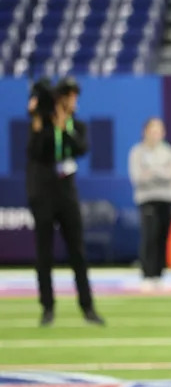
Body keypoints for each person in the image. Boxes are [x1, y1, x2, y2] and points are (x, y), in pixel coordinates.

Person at [26, 77, 105, 326]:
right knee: (44, 253)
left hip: (67, 193)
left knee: (77, 252)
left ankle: (87, 306)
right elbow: (36, 151)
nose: (73, 102)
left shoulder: (76, 126)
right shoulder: (42, 124)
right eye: (69, 96)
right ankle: (47, 308)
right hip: (43, 192)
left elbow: (81, 148)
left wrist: (64, 128)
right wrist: (40, 122)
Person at [129, 118, 171, 291]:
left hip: (166, 199)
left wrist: (153, 171)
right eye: (153, 130)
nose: (156, 134)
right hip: (147, 199)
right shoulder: (137, 152)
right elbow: (138, 178)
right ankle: (147, 275)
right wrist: (160, 172)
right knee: (149, 237)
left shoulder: (169, 151)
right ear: (145, 131)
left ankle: (159, 274)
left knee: (162, 238)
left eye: (159, 130)